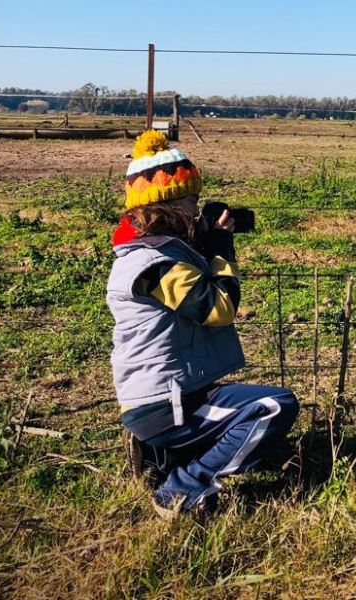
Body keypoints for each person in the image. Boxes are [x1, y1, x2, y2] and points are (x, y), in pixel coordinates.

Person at [107, 130, 299, 518]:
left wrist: (207, 239)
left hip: (171, 395)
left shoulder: (157, 250)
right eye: (192, 200)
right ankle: (182, 488)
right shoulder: (153, 264)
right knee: (274, 407)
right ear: (167, 204)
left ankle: (163, 457)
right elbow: (219, 308)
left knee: (251, 417)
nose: (198, 210)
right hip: (166, 405)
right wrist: (222, 248)